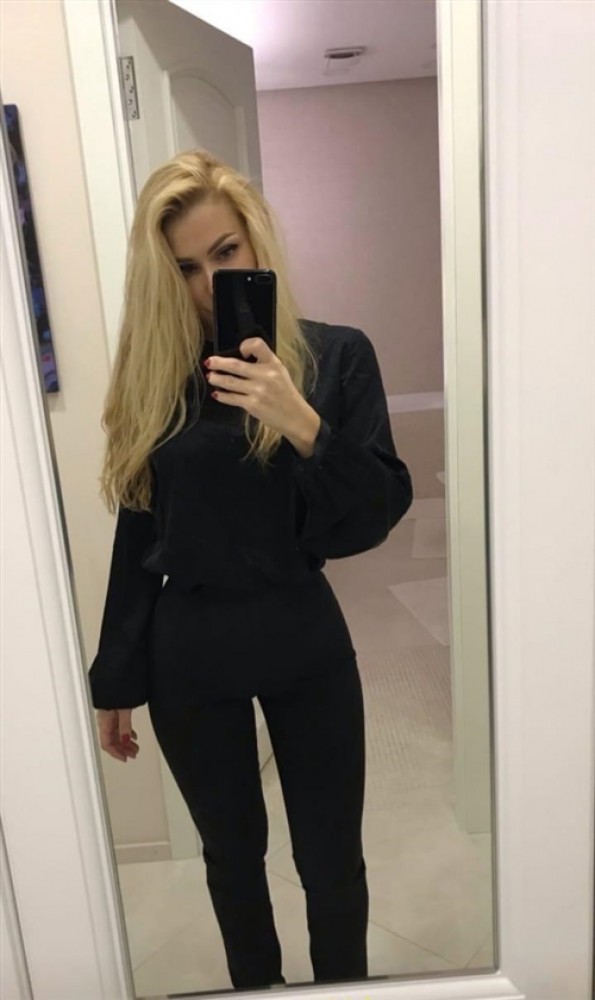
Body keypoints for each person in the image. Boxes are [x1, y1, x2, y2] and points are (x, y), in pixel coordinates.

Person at [90, 150, 413, 988]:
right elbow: (139, 530)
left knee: (331, 860)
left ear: (255, 239)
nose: (209, 284)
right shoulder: (156, 374)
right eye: (184, 267)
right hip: (189, 647)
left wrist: (301, 423)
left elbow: (372, 516)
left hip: (301, 629)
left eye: (225, 253)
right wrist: (114, 675)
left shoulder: (336, 358)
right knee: (231, 861)